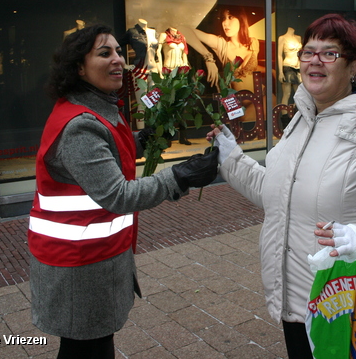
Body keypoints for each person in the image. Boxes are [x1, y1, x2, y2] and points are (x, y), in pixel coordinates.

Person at [207, 14, 356, 358]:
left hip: (346, 303)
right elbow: (278, 195)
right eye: (308, 51)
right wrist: (231, 158)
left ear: (353, 65)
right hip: (295, 300)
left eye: (329, 53)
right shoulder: (300, 118)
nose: (314, 60)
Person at [28, 24, 219, 359]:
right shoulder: (80, 125)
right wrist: (182, 176)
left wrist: (136, 141)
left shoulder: (99, 108)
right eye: (105, 53)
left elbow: (99, 158)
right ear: (79, 67)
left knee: (91, 346)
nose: (119, 60)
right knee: (87, 349)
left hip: (95, 258)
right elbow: (118, 195)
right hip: (78, 266)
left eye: (119, 51)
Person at [182, 6, 261, 121]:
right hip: (234, 102)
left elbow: (252, 69)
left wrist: (272, 71)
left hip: (259, 96)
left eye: (230, 17)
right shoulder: (221, 44)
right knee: (243, 123)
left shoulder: (253, 42)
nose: (225, 23)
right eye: (223, 18)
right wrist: (208, 57)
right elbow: (182, 28)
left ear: (241, 19)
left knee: (255, 124)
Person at [277, 27, 302, 122]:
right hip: (288, 66)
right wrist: (280, 72)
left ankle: (299, 116)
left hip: (298, 67)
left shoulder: (298, 38)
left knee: (299, 94)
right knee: (287, 93)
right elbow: (279, 55)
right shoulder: (282, 38)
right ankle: (285, 120)